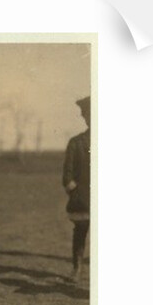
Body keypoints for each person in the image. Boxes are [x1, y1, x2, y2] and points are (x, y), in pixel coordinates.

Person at [63, 96, 91, 283]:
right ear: (85, 118)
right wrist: (70, 185)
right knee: (80, 231)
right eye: (88, 115)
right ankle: (77, 268)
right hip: (83, 197)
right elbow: (67, 172)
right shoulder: (76, 142)